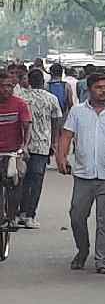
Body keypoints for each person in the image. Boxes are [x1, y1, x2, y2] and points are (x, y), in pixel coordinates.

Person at [57, 73, 105, 274]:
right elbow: (66, 135)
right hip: (83, 175)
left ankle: (102, 259)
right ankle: (83, 249)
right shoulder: (78, 112)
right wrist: (62, 157)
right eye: (99, 87)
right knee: (77, 216)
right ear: (89, 89)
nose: (104, 90)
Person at [15, 69, 62, 229]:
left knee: (19, 180)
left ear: (28, 80)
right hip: (42, 145)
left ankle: (17, 214)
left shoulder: (20, 98)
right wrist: (54, 142)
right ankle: (30, 215)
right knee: (35, 182)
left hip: (22, 145)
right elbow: (57, 122)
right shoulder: (51, 99)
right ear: (43, 81)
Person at [0, 71, 32, 226]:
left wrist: (24, 147)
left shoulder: (20, 104)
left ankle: (12, 216)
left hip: (13, 152)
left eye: (9, 86)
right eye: (3, 86)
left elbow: (27, 127)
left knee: (15, 182)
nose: (6, 89)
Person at [48, 63, 75, 151]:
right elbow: (70, 102)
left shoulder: (46, 85)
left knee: (52, 135)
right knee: (62, 137)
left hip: (50, 116)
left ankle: (52, 149)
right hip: (64, 115)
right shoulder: (66, 86)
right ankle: (62, 155)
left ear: (51, 73)